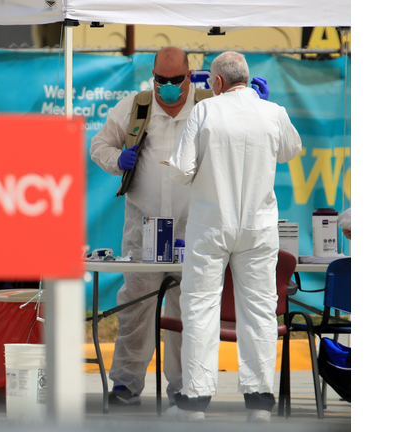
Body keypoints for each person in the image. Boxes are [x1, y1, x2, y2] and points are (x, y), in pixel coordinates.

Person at [89, 47, 270, 407]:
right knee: (135, 310)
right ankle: (125, 383)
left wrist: (259, 104)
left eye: (176, 80)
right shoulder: (135, 108)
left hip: (194, 229)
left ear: (190, 75)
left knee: (187, 312)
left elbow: (250, 133)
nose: (168, 87)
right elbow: (99, 145)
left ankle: (185, 387)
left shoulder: (209, 107)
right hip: (144, 228)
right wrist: (116, 159)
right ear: (152, 76)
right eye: (161, 80)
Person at [165, 51, 302, 423]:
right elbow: (291, 149)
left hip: (211, 222)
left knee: (200, 305)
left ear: (219, 83)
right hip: (258, 226)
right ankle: (259, 400)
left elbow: (180, 171)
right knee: (259, 309)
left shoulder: (205, 112)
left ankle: (196, 399)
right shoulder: (272, 112)